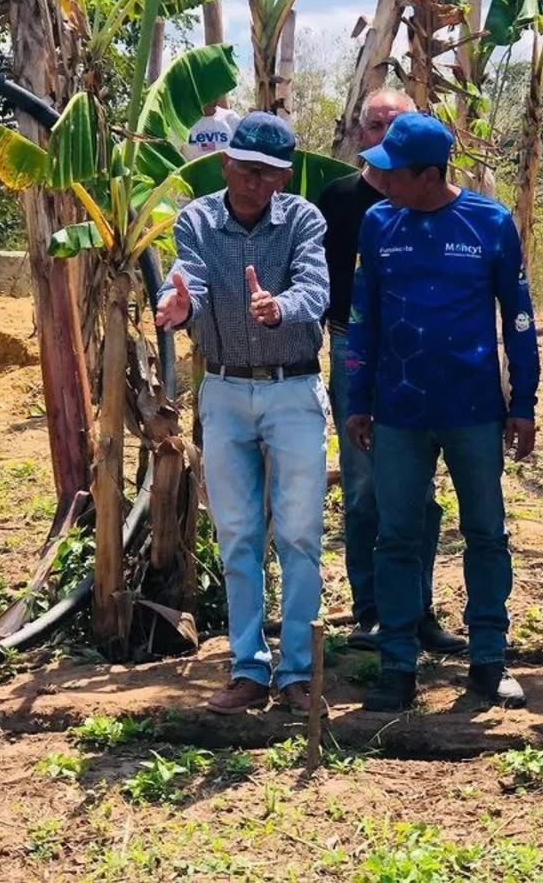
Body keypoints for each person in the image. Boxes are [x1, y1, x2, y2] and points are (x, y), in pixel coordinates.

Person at [346, 113, 540, 712]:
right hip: (399, 411)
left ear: (430, 175)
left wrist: (524, 403)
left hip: (474, 409)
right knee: (397, 535)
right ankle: (398, 665)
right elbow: (363, 320)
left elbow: (520, 320)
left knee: (485, 532)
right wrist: (358, 400)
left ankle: (488, 660)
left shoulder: (490, 223)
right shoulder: (379, 223)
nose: (381, 181)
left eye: (393, 173)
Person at [156, 112, 330, 717]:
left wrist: (279, 307)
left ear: (282, 177)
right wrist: (176, 305)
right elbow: (189, 281)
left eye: (265, 173)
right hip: (225, 390)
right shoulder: (197, 219)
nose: (251, 182)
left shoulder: (305, 219)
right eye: (241, 168)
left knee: (301, 534)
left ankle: (302, 672)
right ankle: (249, 668)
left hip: (293, 388)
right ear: (225, 163)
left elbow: (317, 288)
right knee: (237, 536)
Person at [317, 89, 464, 655]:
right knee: (362, 486)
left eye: (395, 125)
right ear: (361, 135)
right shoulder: (337, 199)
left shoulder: (437, 205)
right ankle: (372, 609)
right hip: (353, 346)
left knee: (418, 489)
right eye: (375, 124)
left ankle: (418, 606)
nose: (383, 135)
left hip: (423, 356)